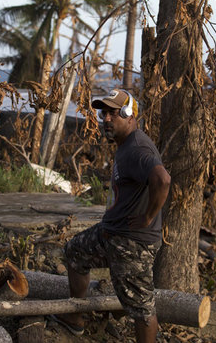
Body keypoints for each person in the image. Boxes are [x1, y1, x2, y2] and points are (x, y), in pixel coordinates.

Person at [50, 89, 171, 342]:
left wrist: (148, 217)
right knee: (74, 251)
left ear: (129, 115)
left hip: (132, 243)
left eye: (112, 113)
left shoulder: (137, 148)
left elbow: (162, 180)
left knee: (141, 308)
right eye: (103, 113)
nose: (105, 118)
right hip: (111, 234)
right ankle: (75, 319)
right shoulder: (125, 146)